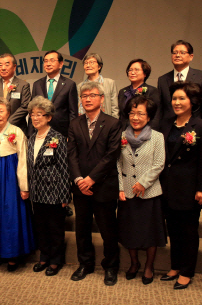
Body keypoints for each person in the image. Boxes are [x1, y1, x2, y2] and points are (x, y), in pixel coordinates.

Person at [67, 81, 123, 286]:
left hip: (103, 186)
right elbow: (71, 155)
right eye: (84, 96)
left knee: (108, 230)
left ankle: (111, 267)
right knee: (82, 229)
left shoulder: (112, 123)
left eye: (92, 95)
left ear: (101, 98)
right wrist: (80, 179)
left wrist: (92, 179)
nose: (88, 98)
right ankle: (85, 264)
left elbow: (111, 155)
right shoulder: (75, 123)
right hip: (80, 186)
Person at [159, 82, 202, 289]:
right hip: (167, 185)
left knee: (189, 231)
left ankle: (187, 271)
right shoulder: (165, 123)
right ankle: (175, 266)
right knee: (172, 228)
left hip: (189, 187)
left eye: (182, 98)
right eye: (174, 99)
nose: (177, 102)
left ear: (193, 101)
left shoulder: (201, 126)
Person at [0, 97, 35, 272]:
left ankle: (12, 255)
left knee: (11, 215)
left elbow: (23, 160)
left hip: (11, 178)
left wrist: (24, 186)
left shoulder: (17, 132)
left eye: (1, 111)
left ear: (8, 113)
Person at [117, 96, 166, 285]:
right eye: (132, 113)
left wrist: (143, 183)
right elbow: (117, 164)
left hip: (149, 193)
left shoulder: (157, 137)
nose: (135, 117)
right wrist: (121, 188)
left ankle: (148, 266)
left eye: (140, 113)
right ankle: (134, 263)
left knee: (150, 233)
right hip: (127, 194)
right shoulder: (121, 136)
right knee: (130, 232)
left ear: (149, 116)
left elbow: (159, 164)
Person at [27, 96, 70, 276]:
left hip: (54, 193)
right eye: (33, 114)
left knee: (55, 228)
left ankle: (55, 260)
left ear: (49, 117)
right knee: (41, 227)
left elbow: (64, 169)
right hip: (36, 193)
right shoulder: (31, 138)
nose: (35, 118)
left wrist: (65, 197)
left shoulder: (57, 138)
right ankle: (44, 257)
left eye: (40, 114)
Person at [157, 40, 202, 126]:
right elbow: (160, 109)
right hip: (168, 128)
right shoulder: (162, 80)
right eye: (174, 53)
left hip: (194, 128)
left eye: (182, 53)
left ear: (191, 56)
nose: (177, 55)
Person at [28, 50, 78, 138]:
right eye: (46, 61)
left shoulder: (69, 84)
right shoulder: (37, 84)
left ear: (61, 64)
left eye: (52, 60)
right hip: (39, 132)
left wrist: (71, 136)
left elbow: (73, 113)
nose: (48, 64)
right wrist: (31, 134)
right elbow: (32, 110)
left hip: (62, 133)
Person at [0, 53, 31, 134]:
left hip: (16, 129)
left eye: (7, 64)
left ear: (14, 67)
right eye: (0, 65)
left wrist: (7, 124)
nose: (3, 68)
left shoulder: (23, 85)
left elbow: (25, 106)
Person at [118, 59, 160, 130]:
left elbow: (156, 116)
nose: (132, 72)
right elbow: (121, 115)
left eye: (136, 70)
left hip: (145, 132)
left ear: (145, 74)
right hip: (124, 132)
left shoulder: (152, 91)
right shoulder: (123, 91)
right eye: (130, 70)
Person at [78, 53, 118, 118]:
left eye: (91, 62)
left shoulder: (110, 83)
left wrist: (114, 125)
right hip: (85, 122)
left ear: (99, 66)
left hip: (106, 123)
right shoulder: (80, 86)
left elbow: (115, 108)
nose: (88, 65)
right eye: (86, 63)